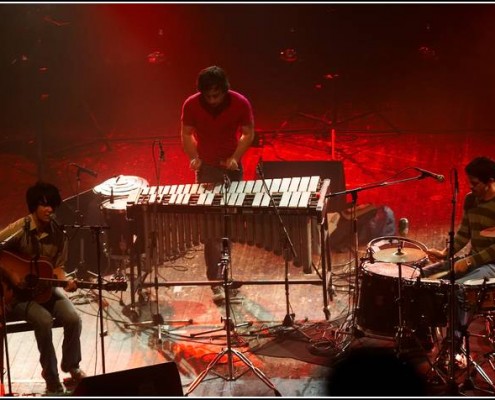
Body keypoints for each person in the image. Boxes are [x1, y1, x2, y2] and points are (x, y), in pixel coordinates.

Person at [0, 181, 86, 394]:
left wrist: (65, 282)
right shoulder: (20, 229)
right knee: (44, 320)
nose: (49, 210)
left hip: (45, 289)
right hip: (17, 295)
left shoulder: (58, 233)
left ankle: (71, 366)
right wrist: (11, 274)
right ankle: (51, 379)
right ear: (34, 206)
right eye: (44, 205)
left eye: (52, 206)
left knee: (73, 318)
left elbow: (57, 268)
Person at [180, 65, 255, 303]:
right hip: (207, 169)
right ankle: (215, 281)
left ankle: (225, 275)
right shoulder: (191, 104)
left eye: (217, 95)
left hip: (231, 167)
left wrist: (236, 157)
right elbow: (185, 134)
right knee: (213, 229)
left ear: (224, 90)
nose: (212, 100)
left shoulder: (240, 102)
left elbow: (248, 133)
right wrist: (194, 157)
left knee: (227, 227)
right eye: (208, 95)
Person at [426, 156, 495, 365]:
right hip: (475, 260)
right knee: (423, 277)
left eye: (475, 184)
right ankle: (422, 336)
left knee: (460, 289)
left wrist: (470, 262)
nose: (471, 188)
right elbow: (465, 233)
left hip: (492, 265)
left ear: (490, 180)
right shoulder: (470, 199)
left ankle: (455, 349)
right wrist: (446, 253)